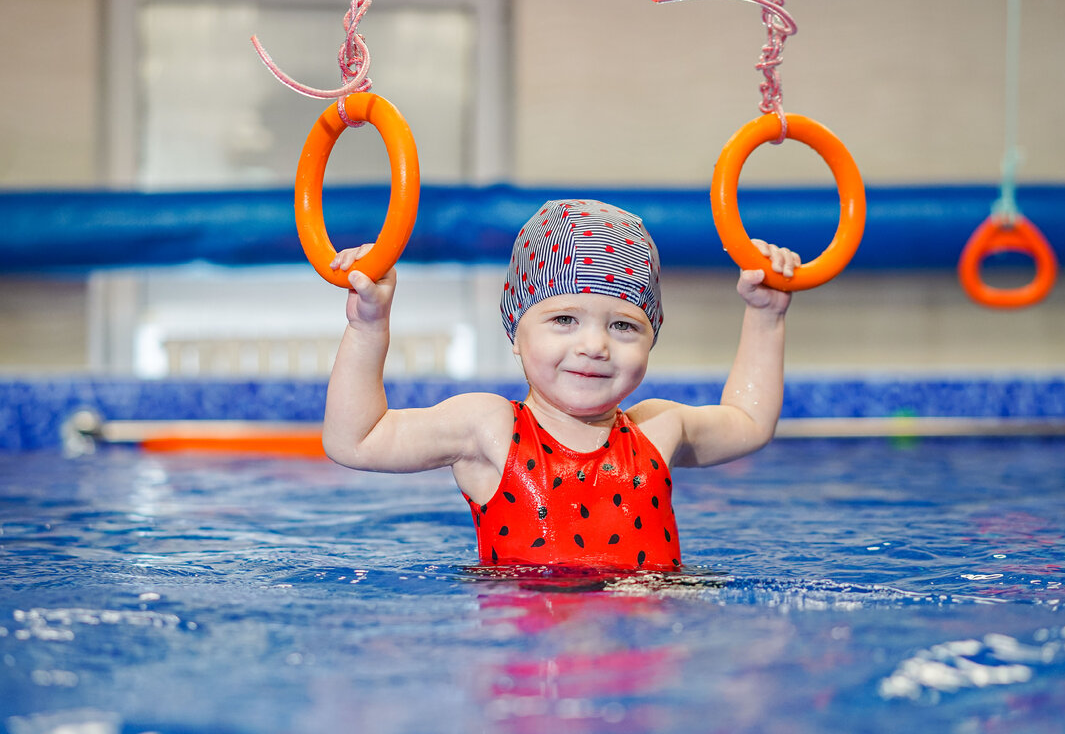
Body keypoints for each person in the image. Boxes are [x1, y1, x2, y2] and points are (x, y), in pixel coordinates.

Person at [322, 199, 800, 571]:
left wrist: (766, 317)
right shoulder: (488, 428)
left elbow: (750, 423)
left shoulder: (659, 429)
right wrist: (369, 326)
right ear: (515, 330)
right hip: (535, 661)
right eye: (565, 318)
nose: (594, 345)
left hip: (647, 658)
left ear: (653, 337)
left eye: (624, 326)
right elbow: (356, 441)